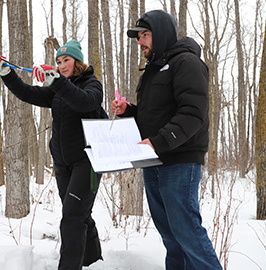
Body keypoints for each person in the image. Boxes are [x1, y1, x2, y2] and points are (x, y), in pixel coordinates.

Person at [111, 10, 222, 270]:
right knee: (171, 237)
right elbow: (154, 117)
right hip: (155, 160)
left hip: (180, 161)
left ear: (161, 35)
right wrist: (129, 111)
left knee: (187, 233)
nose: (140, 42)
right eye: (138, 37)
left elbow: (193, 114)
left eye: (145, 35)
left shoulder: (186, 62)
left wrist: (158, 142)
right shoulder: (153, 69)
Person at [0, 40, 104, 269]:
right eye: (59, 62)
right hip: (63, 163)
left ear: (78, 62)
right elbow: (28, 93)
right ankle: (92, 261)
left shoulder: (91, 84)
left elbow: (85, 102)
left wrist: (56, 81)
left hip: (88, 162)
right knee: (79, 212)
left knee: (72, 216)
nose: (62, 65)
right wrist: (7, 75)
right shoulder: (57, 90)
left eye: (67, 61)